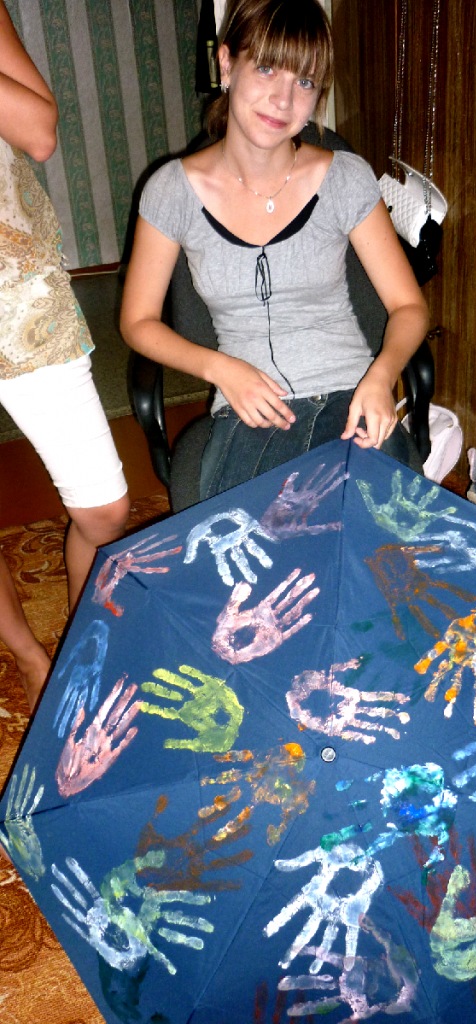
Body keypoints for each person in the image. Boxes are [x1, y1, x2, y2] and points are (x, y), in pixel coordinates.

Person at [120, 0, 429, 499]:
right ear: (226, 65)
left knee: (374, 533)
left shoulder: (345, 178)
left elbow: (408, 306)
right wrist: (220, 369)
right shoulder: (170, 191)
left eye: (304, 82)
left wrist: (382, 375)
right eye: (266, 68)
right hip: (249, 409)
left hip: (352, 397)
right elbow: (137, 322)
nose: (283, 100)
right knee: (252, 535)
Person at [0, 2, 130, 710]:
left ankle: (79, 637)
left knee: (104, 511)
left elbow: (38, 132)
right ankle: (28, 654)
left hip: (15, 287)